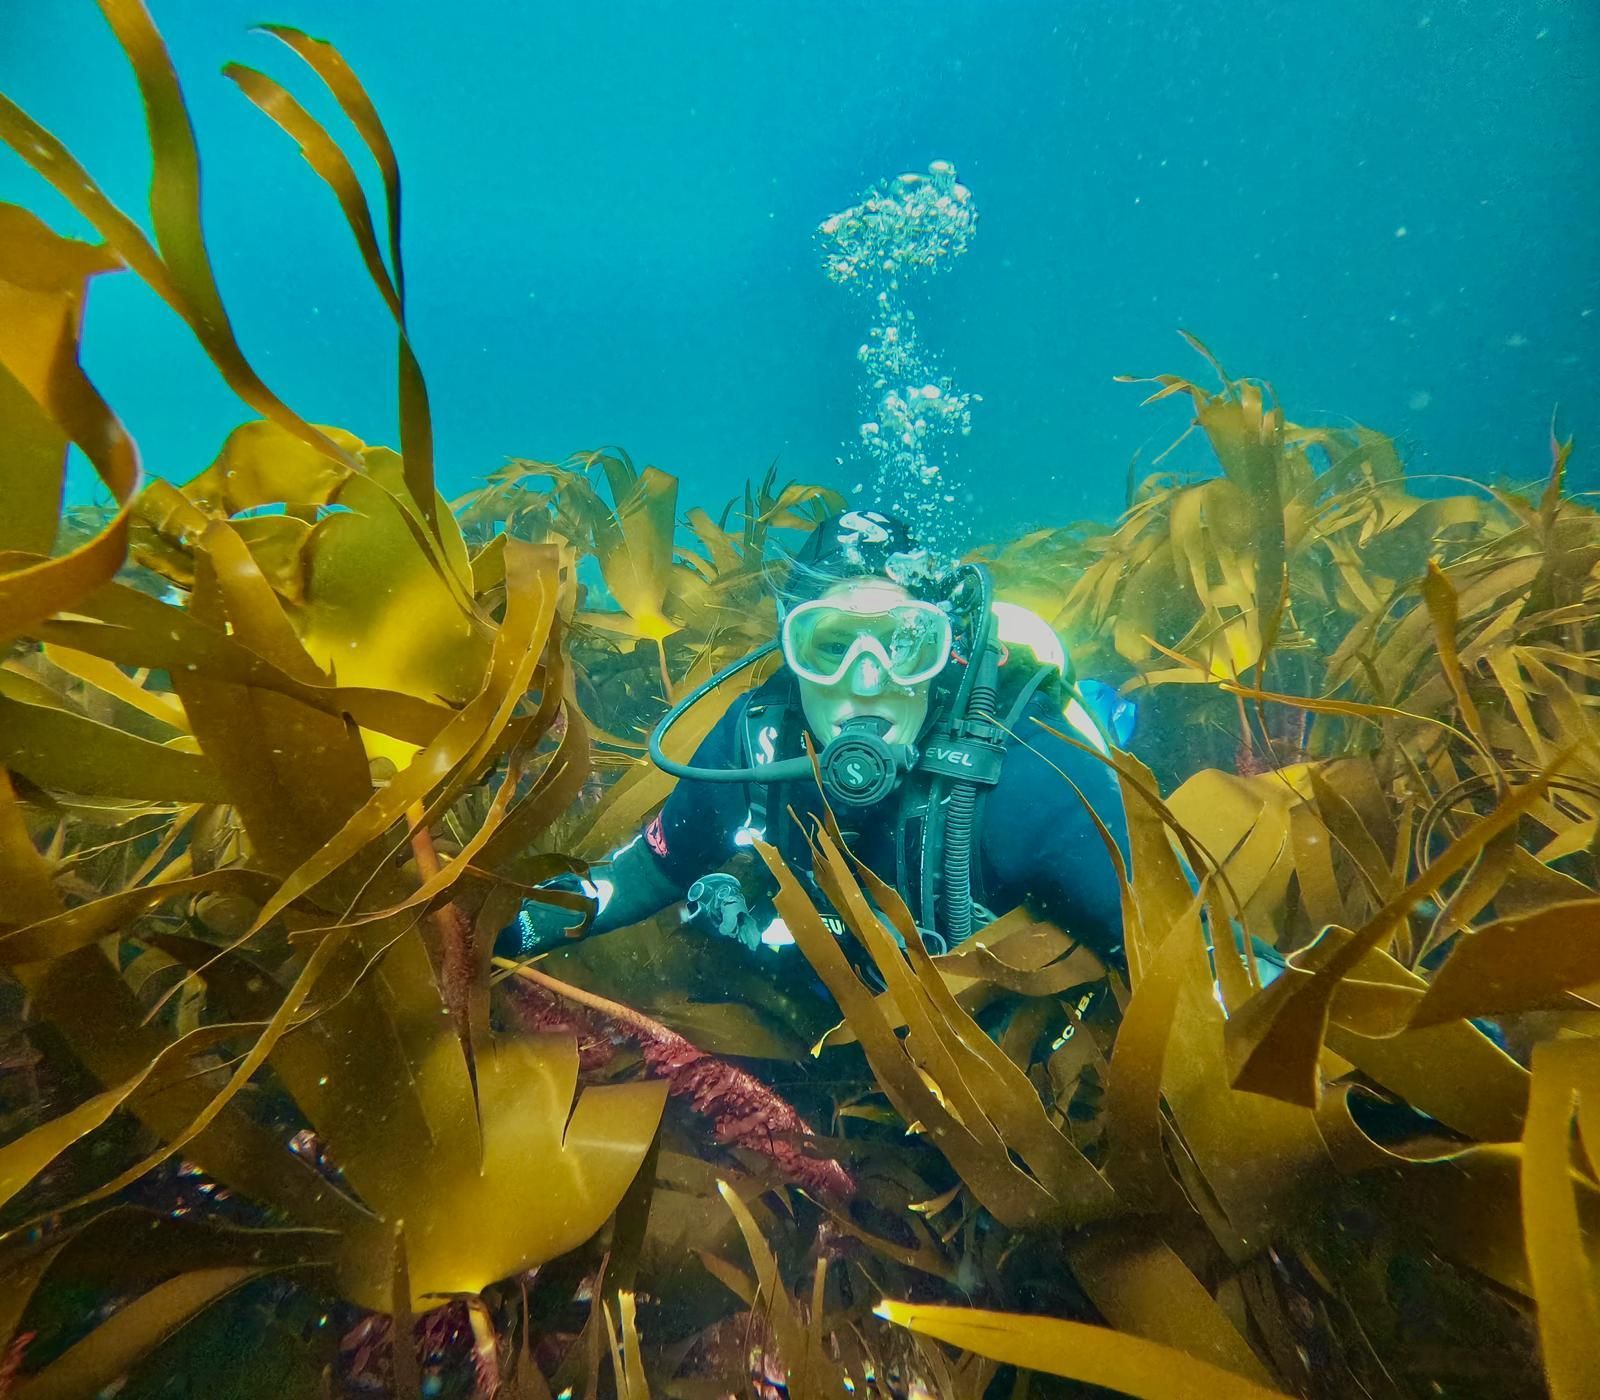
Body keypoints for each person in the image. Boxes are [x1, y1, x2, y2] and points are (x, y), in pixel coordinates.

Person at [503, 509, 1130, 976]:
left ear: (943, 655)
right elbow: (649, 870)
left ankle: (1109, 707)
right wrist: (510, 930)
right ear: (789, 651)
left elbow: (1169, 947)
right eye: (829, 645)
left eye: (905, 644)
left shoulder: (1025, 777)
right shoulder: (756, 743)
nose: (866, 682)